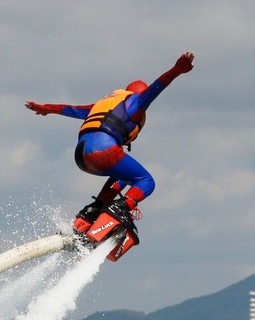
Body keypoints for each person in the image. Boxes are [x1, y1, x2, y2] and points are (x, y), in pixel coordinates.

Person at [26, 52, 195, 232]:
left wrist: (45, 108)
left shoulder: (104, 105)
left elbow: (71, 109)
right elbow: (157, 86)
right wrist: (177, 70)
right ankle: (120, 210)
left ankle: (92, 212)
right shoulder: (137, 101)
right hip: (103, 151)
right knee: (146, 181)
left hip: (81, 156)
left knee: (122, 176)